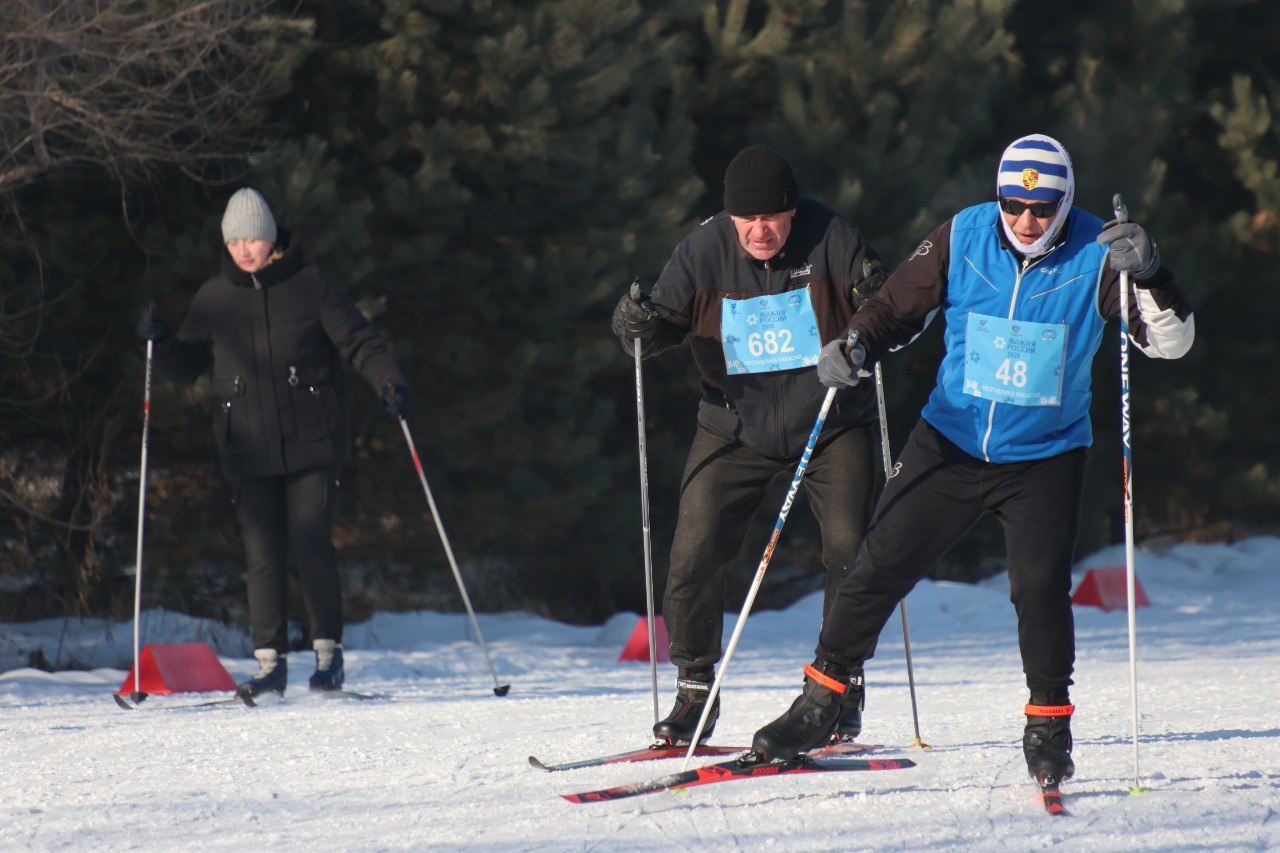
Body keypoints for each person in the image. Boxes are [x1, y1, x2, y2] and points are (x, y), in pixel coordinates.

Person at [750, 134, 1195, 785]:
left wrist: (1152, 270)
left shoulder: (1100, 254)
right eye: (1012, 203)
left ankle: (1048, 724)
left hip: (1044, 457)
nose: (1024, 220)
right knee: (873, 565)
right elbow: (895, 308)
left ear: (1066, 203)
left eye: (1042, 208)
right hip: (950, 442)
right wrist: (854, 345)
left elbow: (1170, 344)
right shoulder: (963, 235)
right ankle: (823, 700)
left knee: (1037, 587)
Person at [611, 145, 887, 745]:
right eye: (747, 220)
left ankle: (839, 686)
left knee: (848, 548)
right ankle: (694, 691)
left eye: (773, 218)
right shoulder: (703, 249)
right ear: (730, 215)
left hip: (831, 421)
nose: (760, 231)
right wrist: (635, 325)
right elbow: (658, 326)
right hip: (735, 423)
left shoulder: (834, 238)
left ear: (793, 213)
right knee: (694, 548)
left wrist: (872, 306)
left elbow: (885, 319)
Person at [135, 188, 410, 699]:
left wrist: (389, 381)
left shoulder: (310, 286)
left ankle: (327, 656)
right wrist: (161, 341)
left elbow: (359, 340)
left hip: (313, 441)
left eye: (253, 239)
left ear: (272, 239)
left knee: (309, 543)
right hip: (249, 446)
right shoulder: (215, 298)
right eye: (235, 240)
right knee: (262, 553)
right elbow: (186, 366)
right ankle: (270, 663)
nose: (244, 249)